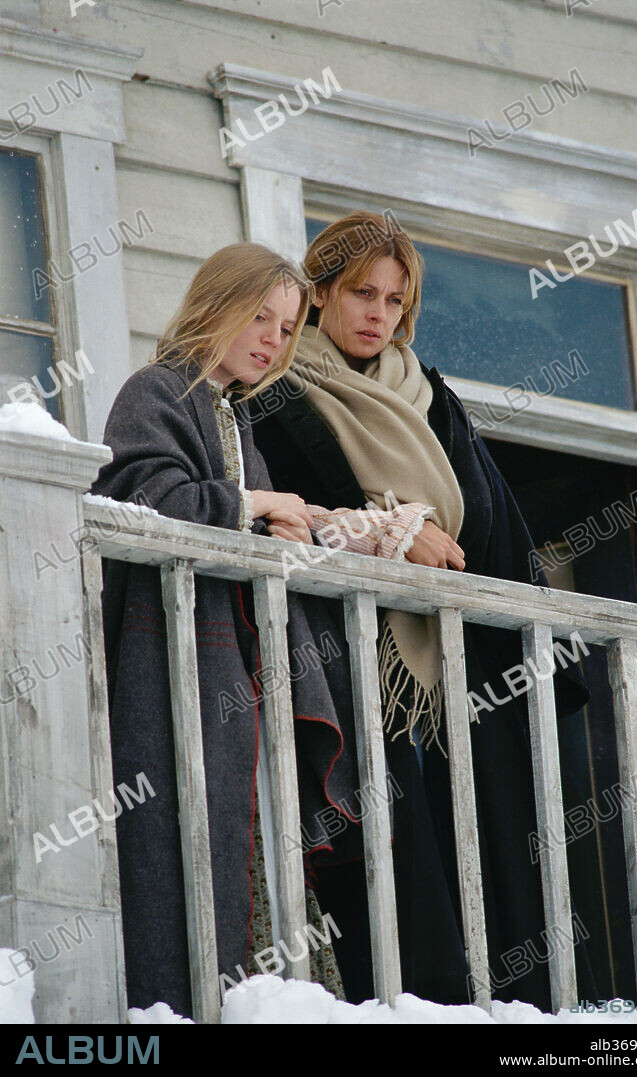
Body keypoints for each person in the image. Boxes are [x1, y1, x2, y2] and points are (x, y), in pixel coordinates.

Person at [248, 213, 598, 1012]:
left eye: (395, 301)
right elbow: (284, 516)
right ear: (320, 292)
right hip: (341, 666)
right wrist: (398, 533)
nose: (378, 313)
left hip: (455, 681)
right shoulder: (273, 390)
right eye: (361, 293)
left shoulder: (430, 393)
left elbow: (497, 526)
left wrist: (540, 665)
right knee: (392, 880)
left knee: (489, 865)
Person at [90, 242, 439, 1018]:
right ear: (214, 304)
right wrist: (252, 506)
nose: (272, 339)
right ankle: (176, 1007)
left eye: (286, 328)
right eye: (259, 317)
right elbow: (141, 498)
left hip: (240, 662)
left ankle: (258, 999)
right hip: (177, 656)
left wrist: (290, 525)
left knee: (247, 840)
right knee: (181, 837)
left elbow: (252, 513)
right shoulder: (159, 389)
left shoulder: (233, 410)